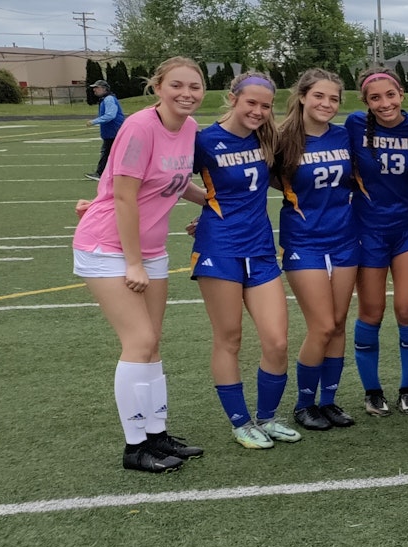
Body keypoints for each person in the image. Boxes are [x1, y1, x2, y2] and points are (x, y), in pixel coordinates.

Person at [72, 56, 206, 473]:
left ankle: (157, 433)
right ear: (158, 86)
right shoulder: (139, 127)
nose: (187, 94)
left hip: (150, 249)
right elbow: (125, 196)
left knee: (152, 342)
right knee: (139, 341)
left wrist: (217, 205)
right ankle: (135, 447)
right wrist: (132, 263)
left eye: (195, 87)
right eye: (177, 85)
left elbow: (176, 182)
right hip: (109, 247)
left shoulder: (189, 128)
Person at [189, 72, 299, 449]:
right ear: (232, 98)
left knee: (277, 341)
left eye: (265, 106)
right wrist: (206, 202)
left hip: (260, 248)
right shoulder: (203, 140)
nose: (258, 111)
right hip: (219, 248)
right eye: (251, 102)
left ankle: (267, 417)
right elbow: (164, 178)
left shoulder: (266, 137)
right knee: (229, 338)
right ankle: (240, 422)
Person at [275, 68, 358, 432]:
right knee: (321, 325)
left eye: (334, 98)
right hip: (304, 239)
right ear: (303, 96)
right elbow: (244, 181)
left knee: (338, 325)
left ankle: (329, 401)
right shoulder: (281, 139)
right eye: (320, 96)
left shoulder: (345, 135)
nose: (327, 104)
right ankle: (304, 403)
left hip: (344, 236)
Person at [346, 68, 408, 417]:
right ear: (365, 101)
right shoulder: (353, 125)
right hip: (368, 229)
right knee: (371, 311)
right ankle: (372, 390)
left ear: (401, 94)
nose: (384, 103)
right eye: (375, 98)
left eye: (390, 95)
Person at [86, 79, 125, 181]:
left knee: (107, 153)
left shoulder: (108, 99)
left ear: (104, 89)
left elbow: (110, 115)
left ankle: (100, 173)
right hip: (112, 131)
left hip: (114, 131)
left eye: (97, 88)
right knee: (111, 153)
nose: (94, 90)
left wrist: (94, 121)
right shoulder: (106, 99)